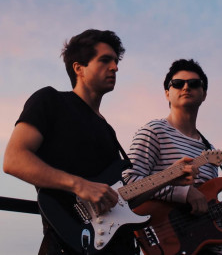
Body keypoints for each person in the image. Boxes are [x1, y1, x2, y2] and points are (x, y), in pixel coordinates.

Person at [3, 30, 195, 255]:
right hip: (68, 245)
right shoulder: (51, 100)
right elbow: (13, 159)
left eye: (115, 61)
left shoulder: (108, 130)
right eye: (105, 60)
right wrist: (79, 185)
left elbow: (120, 197)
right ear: (79, 68)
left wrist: (168, 177)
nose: (115, 67)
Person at [122, 59, 222, 255]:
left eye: (194, 83)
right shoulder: (153, 132)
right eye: (178, 84)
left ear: (204, 94)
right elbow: (129, 185)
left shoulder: (210, 151)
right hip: (169, 244)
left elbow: (209, 216)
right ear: (167, 94)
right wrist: (183, 193)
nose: (186, 87)